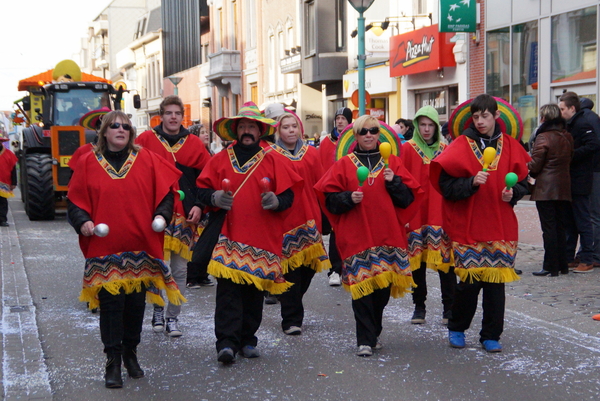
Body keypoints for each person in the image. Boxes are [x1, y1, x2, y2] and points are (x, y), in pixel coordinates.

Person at [67, 111, 183, 388]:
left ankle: (131, 353)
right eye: (115, 126)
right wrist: (83, 222)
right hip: (105, 248)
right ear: (105, 132)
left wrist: (163, 216)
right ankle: (113, 361)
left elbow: (167, 192)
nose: (121, 130)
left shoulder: (147, 159)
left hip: (139, 247)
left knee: (134, 307)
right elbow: (75, 201)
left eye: (126, 127)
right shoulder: (87, 163)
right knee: (110, 308)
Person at [195, 102, 302, 364]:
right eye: (241, 126)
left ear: (260, 131)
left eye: (251, 127)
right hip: (227, 237)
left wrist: (277, 202)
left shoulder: (274, 159)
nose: (246, 131)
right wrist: (214, 196)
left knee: (254, 293)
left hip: (261, 237)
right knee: (228, 292)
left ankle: (248, 339)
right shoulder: (219, 159)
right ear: (234, 130)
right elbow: (201, 192)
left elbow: (289, 196)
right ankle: (227, 343)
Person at [430, 94, 531, 353]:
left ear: (496, 116)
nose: (480, 121)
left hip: (500, 223)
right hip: (468, 225)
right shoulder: (461, 145)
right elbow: (445, 186)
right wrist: (471, 182)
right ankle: (457, 327)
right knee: (469, 283)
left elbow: (523, 181)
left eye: (485, 115)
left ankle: (491, 334)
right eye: (475, 117)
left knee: (496, 285)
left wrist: (514, 193)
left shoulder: (510, 145)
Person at [315, 115, 421, 357]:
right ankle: (364, 339)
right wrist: (347, 198)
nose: (369, 135)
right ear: (356, 136)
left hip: (388, 236)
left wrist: (394, 182)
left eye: (374, 131)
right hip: (356, 236)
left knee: (382, 291)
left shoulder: (392, 162)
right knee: (362, 288)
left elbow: (408, 199)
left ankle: (374, 331)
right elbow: (329, 200)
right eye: (364, 132)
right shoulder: (343, 164)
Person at [136, 95, 211, 337]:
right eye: (168, 113)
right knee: (157, 266)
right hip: (155, 212)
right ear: (161, 115)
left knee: (179, 270)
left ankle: (173, 317)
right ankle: (157, 310)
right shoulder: (145, 140)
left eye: (177, 113)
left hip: (186, 214)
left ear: (182, 116)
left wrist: (200, 205)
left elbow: (206, 180)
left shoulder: (194, 143)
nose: (173, 117)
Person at [271, 111, 330, 335]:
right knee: (291, 271)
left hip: (310, 218)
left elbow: (321, 184)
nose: (291, 130)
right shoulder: (271, 154)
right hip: (284, 219)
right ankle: (291, 318)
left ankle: (290, 298)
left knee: (309, 269)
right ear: (279, 131)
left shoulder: (311, 154)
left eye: (294, 126)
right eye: (285, 127)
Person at [401, 106, 456, 325]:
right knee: (417, 263)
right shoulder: (408, 149)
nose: (426, 129)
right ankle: (419, 306)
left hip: (441, 213)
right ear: (416, 125)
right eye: (422, 124)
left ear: (436, 126)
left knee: (445, 263)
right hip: (417, 213)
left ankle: (449, 308)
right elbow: (402, 180)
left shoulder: (446, 148)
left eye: (430, 125)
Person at [528, 103, 574, 277]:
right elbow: (570, 158)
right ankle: (563, 265)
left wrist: (526, 165)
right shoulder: (567, 136)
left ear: (544, 118)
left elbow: (535, 165)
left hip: (546, 189)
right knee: (560, 228)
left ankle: (550, 266)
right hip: (563, 187)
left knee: (549, 228)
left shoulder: (543, 137)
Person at [558, 92, 600, 273]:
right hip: (572, 178)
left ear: (572, 108)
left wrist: (572, 156)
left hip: (581, 179)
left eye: (562, 109)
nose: (560, 112)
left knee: (584, 219)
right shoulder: (571, 124)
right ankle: (570, 257)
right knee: (572, 220)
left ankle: (588, 259)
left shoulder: (583, 123)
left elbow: (593, 145)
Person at [319, 107, 353, 287]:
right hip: (333, 192)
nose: (340, 121)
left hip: (351, 191)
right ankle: (335, 269)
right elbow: (321, 166)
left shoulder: (354, 140)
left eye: (343, 118)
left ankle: (350, 266)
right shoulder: (326, 142)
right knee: (334, 231)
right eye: (338, 118)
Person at [578, 98, 600, 268]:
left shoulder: (586, 119)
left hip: (593, 171)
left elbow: (593, 145)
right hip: (594, 170)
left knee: (592, 214)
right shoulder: (592, 118)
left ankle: (594, 254)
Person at [0, 131, 18, 227]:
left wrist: (14, 182)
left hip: (4, 183)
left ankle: (2, 219)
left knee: (2, 201)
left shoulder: (9, 154)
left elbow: (13, 169)